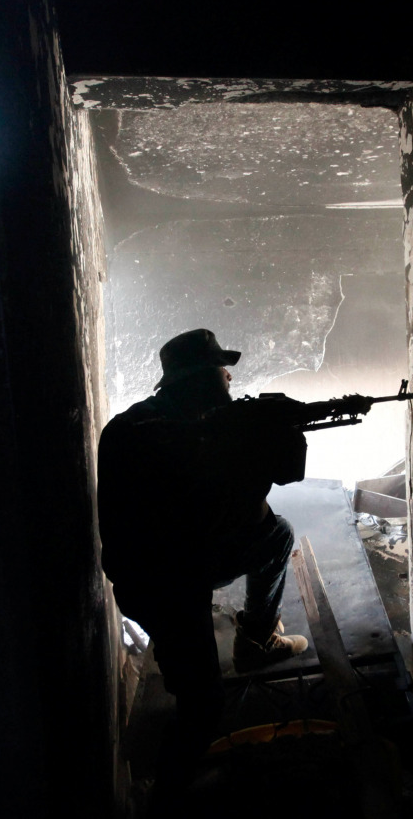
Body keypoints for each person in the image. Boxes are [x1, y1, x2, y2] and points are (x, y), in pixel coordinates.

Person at [96, 328, 310, 795]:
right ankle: (167, 797)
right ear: (200, 378)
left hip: (178, 563)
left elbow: (255, 499)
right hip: (165, 586)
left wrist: (265, 439)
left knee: (276, 534)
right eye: (220, 369)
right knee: (203, 707)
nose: (229, 376)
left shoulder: (155, 425)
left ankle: (257, 640)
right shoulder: (164, 435)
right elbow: (200, 497)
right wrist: (252, 441)